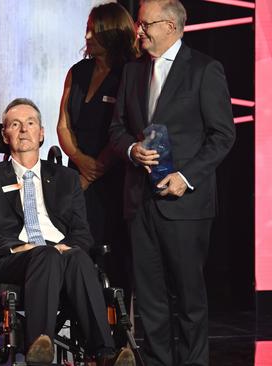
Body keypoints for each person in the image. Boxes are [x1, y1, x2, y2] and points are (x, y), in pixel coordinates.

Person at [108, 1, 236, 365]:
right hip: (139, 202)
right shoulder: (132, 73)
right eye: (139, 24)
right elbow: (116, 129)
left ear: (170, 26)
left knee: (188, 297)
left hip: (184, 204)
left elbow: (222, 135)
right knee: (150, 299)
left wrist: (186, 176)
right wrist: (132, 149)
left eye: (145, 24)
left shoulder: (204, 70)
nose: (139, 31)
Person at [0, 98, 134, 365]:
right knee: (46, 255)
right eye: (15, 124)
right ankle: (38, 346)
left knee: (78, 256)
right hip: (14, 258)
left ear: (41, 132)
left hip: (61, 253)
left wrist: (67, 246)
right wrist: (20, 247)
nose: (23, 130)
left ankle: (104, 353)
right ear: (5, 135)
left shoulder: (66, 178)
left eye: (30, 123)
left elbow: (81, 230)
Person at [56, 2, 139, 331]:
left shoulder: (130, 73)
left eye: (96, 29)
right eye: (87, 28)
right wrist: (80, 162)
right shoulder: (77, 71)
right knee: (79, 253)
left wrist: (96, 169)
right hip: (77, 177)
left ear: (115, 33)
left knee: (114, 257)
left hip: (114, 180)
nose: (87, 35)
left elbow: (129, 125)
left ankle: (118, 333)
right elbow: (63, 124)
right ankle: (83, 330)